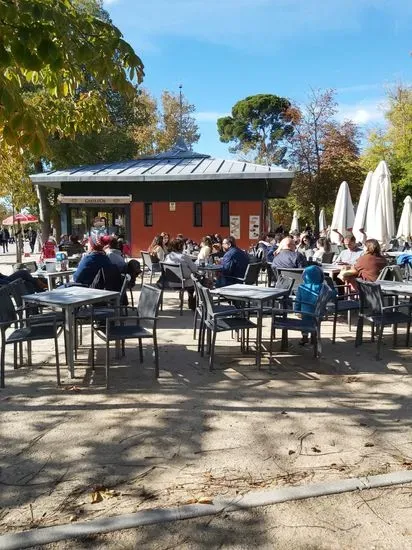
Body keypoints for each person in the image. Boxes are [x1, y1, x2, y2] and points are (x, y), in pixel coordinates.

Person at [294, 264, 334, 345]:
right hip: (319, 312)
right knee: (315, 323)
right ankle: (314, 337)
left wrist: (296, 310)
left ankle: (304, 338)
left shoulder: (302, 287)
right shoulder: (324, 287)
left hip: (305, 312)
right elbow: (332, 294)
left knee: (305, 324)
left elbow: (298, 300)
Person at [162, 238, 198, 310]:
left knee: (191, 280)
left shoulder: (168, 256)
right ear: (181, 247)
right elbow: (195, 269)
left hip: (169, 282)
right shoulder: (184, 257)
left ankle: (191, 301)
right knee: (199, 280)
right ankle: (192, 303)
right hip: (183, 283)